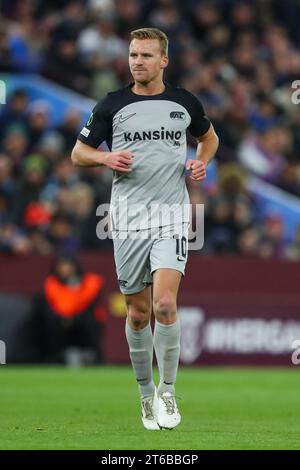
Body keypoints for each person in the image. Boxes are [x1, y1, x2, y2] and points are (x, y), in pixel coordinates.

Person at [71, 28, 219, 429]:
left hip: (171, 215)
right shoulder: (112, 105)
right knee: (137, 314)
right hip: (128, 220)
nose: (138, 61)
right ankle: (145, 395)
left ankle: (168, 392)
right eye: (134, 54)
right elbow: (78, 152)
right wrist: (104, 159)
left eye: (147, 55)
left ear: (163, 61)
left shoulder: (183, 103)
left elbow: (209, 138)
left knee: (165, 305)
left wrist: (201, 161)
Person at [36, 254, 106, 364]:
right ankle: (53, 358)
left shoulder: (91, 282)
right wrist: (63, 318)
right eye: (61, 266)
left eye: (67, 265)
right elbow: (48, 306)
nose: (65, 269)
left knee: (89, 322)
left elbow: (91, 305)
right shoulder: (51, 283)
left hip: (85, 320)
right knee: (49, 322)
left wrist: (74, 318)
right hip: (59, 321)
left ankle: (96, 359)